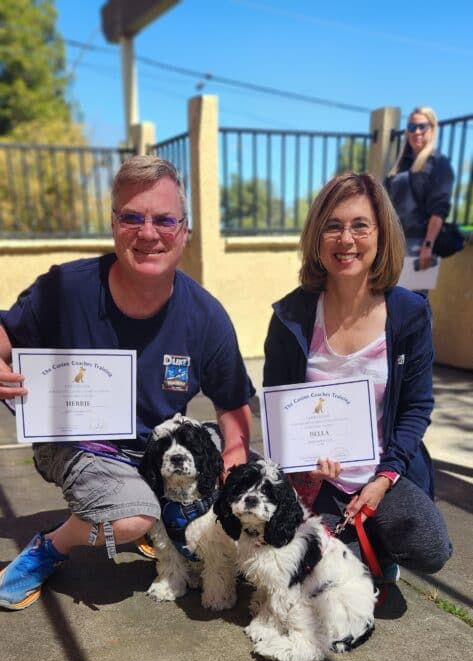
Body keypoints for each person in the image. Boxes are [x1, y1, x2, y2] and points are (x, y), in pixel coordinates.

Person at [0, 156, 255, 610]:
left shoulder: (206, 316)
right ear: (114, 224)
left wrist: (234, 461)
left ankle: (156, 516)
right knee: (134, 516)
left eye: (164, 219)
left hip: (154, 448)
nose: (149, 233)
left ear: (185, 230)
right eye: (132, 217)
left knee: (255, 480)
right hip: (81, 443)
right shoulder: (65, 288)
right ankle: (52, 547)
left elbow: (234, 409)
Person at [262, 170, 452, 583]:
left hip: (383, 473)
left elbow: (417, 407)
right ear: (316, 237)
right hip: (319, 481)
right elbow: (277, 411)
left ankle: (377, 541)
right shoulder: (290, 317)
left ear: (381, 234)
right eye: (333, 226)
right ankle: (358, 549)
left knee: (432, 548)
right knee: (325, 577)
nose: (346, 240)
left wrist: (384, 478)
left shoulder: (410, 315)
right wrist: (304, 470)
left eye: (360, 226)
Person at [384, 107, 454, 271]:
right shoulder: (401, 165)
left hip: (417, 244)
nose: (417, 132)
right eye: (412, 127)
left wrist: (428, 245)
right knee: (386, 295)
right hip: (393, 242)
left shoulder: (438, 164)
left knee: (413, 296)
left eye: (422, 126)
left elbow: (439, 209)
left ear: (432, 128)